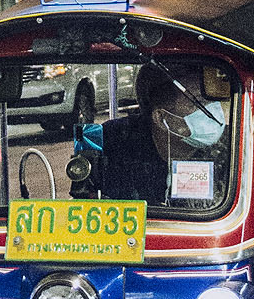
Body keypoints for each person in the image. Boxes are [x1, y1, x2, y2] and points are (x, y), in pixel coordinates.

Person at [98, 60, 230, 208]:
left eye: (210, 99)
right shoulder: (114, 142)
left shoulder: (233, 149)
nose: (212, 109)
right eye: (198, 103)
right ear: (161, 118)